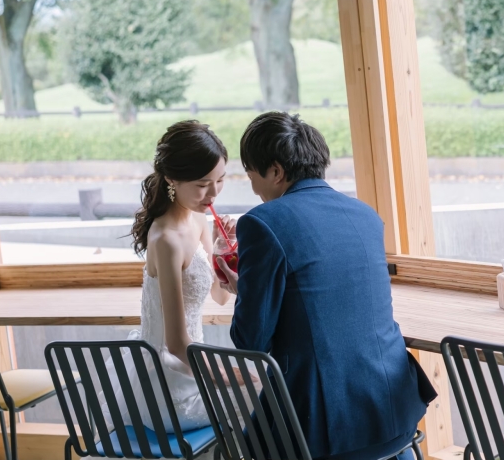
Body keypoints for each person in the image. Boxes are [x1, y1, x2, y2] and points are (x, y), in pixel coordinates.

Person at [216, 112, 437, 460]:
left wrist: (243, 291)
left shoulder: (263, 223)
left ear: (275, 171)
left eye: (252, 176)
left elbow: (251, 342)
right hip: (395, 411)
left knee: (241, 450)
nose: (255, 188)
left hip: (322, 426)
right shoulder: (365, 214)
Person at [100, 120, 251, 432]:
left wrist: (223, 248)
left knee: (268, 392)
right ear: (172, 179)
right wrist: (230, 375)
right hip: (169, 387)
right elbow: (177, 344)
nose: (213, 193)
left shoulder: (199, 218)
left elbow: (221, 295)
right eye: (201, 184)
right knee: (266, 397)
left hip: (195, 369)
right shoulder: (166, 239)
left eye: (220, 180)